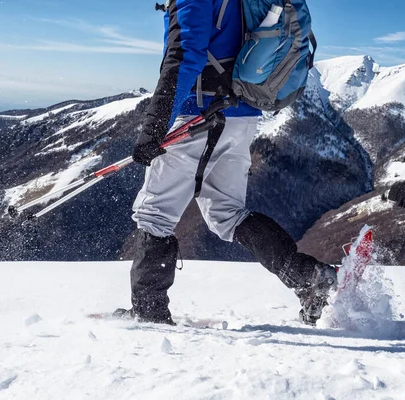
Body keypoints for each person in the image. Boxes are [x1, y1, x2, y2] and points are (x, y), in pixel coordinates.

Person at [118, 0, 337, 326]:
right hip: (241, 116)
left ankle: (148, 316)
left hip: (200, 115)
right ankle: (307, 275)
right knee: (228, 214)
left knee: (155, 214)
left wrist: (155, 128)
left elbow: (185, 56)